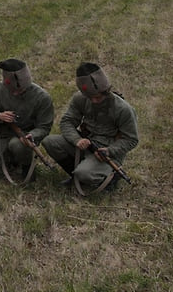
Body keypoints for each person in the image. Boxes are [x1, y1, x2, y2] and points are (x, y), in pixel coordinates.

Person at [43, 62, 138, 193]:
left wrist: (110, 151)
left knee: (84, 174)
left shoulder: (123, 109)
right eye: (89, 97)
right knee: (50, 142)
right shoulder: (80, 98)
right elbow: (67, 121)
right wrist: (77, 140)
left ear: (106, 90)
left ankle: (110, 178)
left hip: (107, 153)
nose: (94, 101)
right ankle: (75, 175)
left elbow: (131, 139)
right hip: (86, 144)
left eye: (98, 97)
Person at [0, 58, 54, 181]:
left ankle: (26, 165)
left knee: (18, 145)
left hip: (24, 137)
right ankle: (10, 160)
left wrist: (32, 135)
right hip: (2, 135)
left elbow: (44, 127)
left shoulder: (42, 97)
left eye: (20, 90)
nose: (15, 93)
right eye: (12, 90)